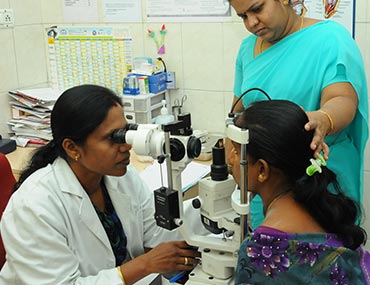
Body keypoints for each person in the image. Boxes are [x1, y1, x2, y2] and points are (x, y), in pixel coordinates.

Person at [0, 84, 200, 285]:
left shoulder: (121, 176)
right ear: (72, 148)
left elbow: (156, 230)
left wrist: (212, 207)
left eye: (125, 132)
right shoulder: (33, 206)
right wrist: (144, 265)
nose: (126, 146)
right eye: (112, 138)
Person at [228, 0, 369, 229]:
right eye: (243, 16)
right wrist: (233, 159)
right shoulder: (247, 49)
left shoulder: (330, 39)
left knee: (323, 257)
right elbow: (236, 112)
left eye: (257, 9)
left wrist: (324, 119)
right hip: (269, 184)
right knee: (271, 254)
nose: (252, 22)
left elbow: (342, 99)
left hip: (322, 183)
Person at [227, 99, 370, 284]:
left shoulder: (260, 252)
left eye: (237, 152)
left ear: (262, 170)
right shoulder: (324, 211)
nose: (230, 159)